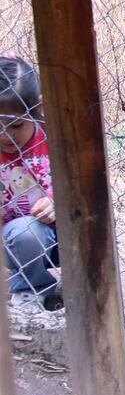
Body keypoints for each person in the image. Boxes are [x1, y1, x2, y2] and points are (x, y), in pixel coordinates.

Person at [0, 54, 62, 312]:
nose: (5, 136)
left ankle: (81, 290)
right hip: (13, 240)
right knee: (24, 232)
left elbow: (90, 192)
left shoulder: (57, 138)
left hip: (62, 235)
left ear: (37, 109)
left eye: (15, 126)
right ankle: (32, 291)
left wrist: (60, 204)